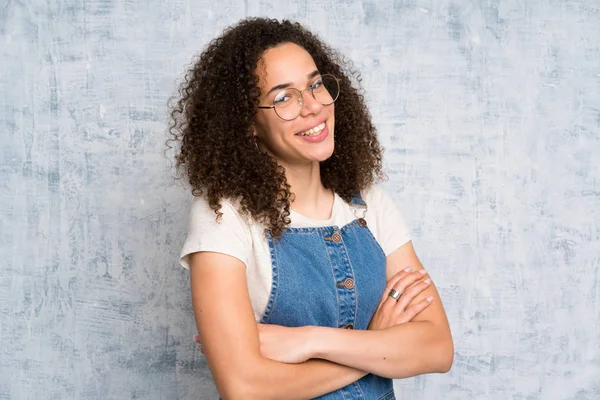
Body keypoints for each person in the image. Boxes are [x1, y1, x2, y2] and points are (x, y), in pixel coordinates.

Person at [169, 17, 453, 400]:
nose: (313, 107)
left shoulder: (370, 204)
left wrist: (310, 341)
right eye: (284, 97)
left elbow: (437, 347)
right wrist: (377, 345)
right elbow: (244, 387)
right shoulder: (223, 216)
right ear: (249, 122)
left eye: (315, 84)